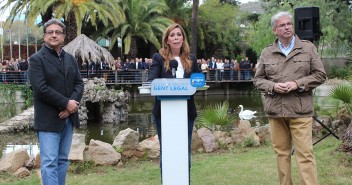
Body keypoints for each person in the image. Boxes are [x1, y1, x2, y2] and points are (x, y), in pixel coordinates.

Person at [253, 11, 326, 185]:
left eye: (289, 24)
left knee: (305, 155)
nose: (287, 27)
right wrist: (272, 86)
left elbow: (320, 75)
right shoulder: (267, 52)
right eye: (282, 25)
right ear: (274, 30)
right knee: (281, 154)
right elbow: (257, 79)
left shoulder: (307, 48)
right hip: (276, 112)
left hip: (300, 111)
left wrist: (297, 83)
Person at [28, 18, 84, 185]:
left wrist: (71, 107)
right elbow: (40, 88)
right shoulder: (37, 59)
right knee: (50, 162)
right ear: (44, 37)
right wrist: (66, 103)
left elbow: (79, 83)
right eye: (50, 32)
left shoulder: (70, 59)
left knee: (62, 161)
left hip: (68, 118)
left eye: (58, 32)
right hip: (48, 120)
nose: (54, 35)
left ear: (63, 36)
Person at [148, 23, 201, 182]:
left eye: (179, 34)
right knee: (167, 150)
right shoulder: (159, 58)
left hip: (186, 112)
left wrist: (191, 86)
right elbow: (151, 81)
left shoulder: (191, 59)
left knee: (185, 150)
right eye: (172, 35)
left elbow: (198, 82)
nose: (176, 37)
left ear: (183, 38)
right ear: (167, 40)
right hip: (163, 113)